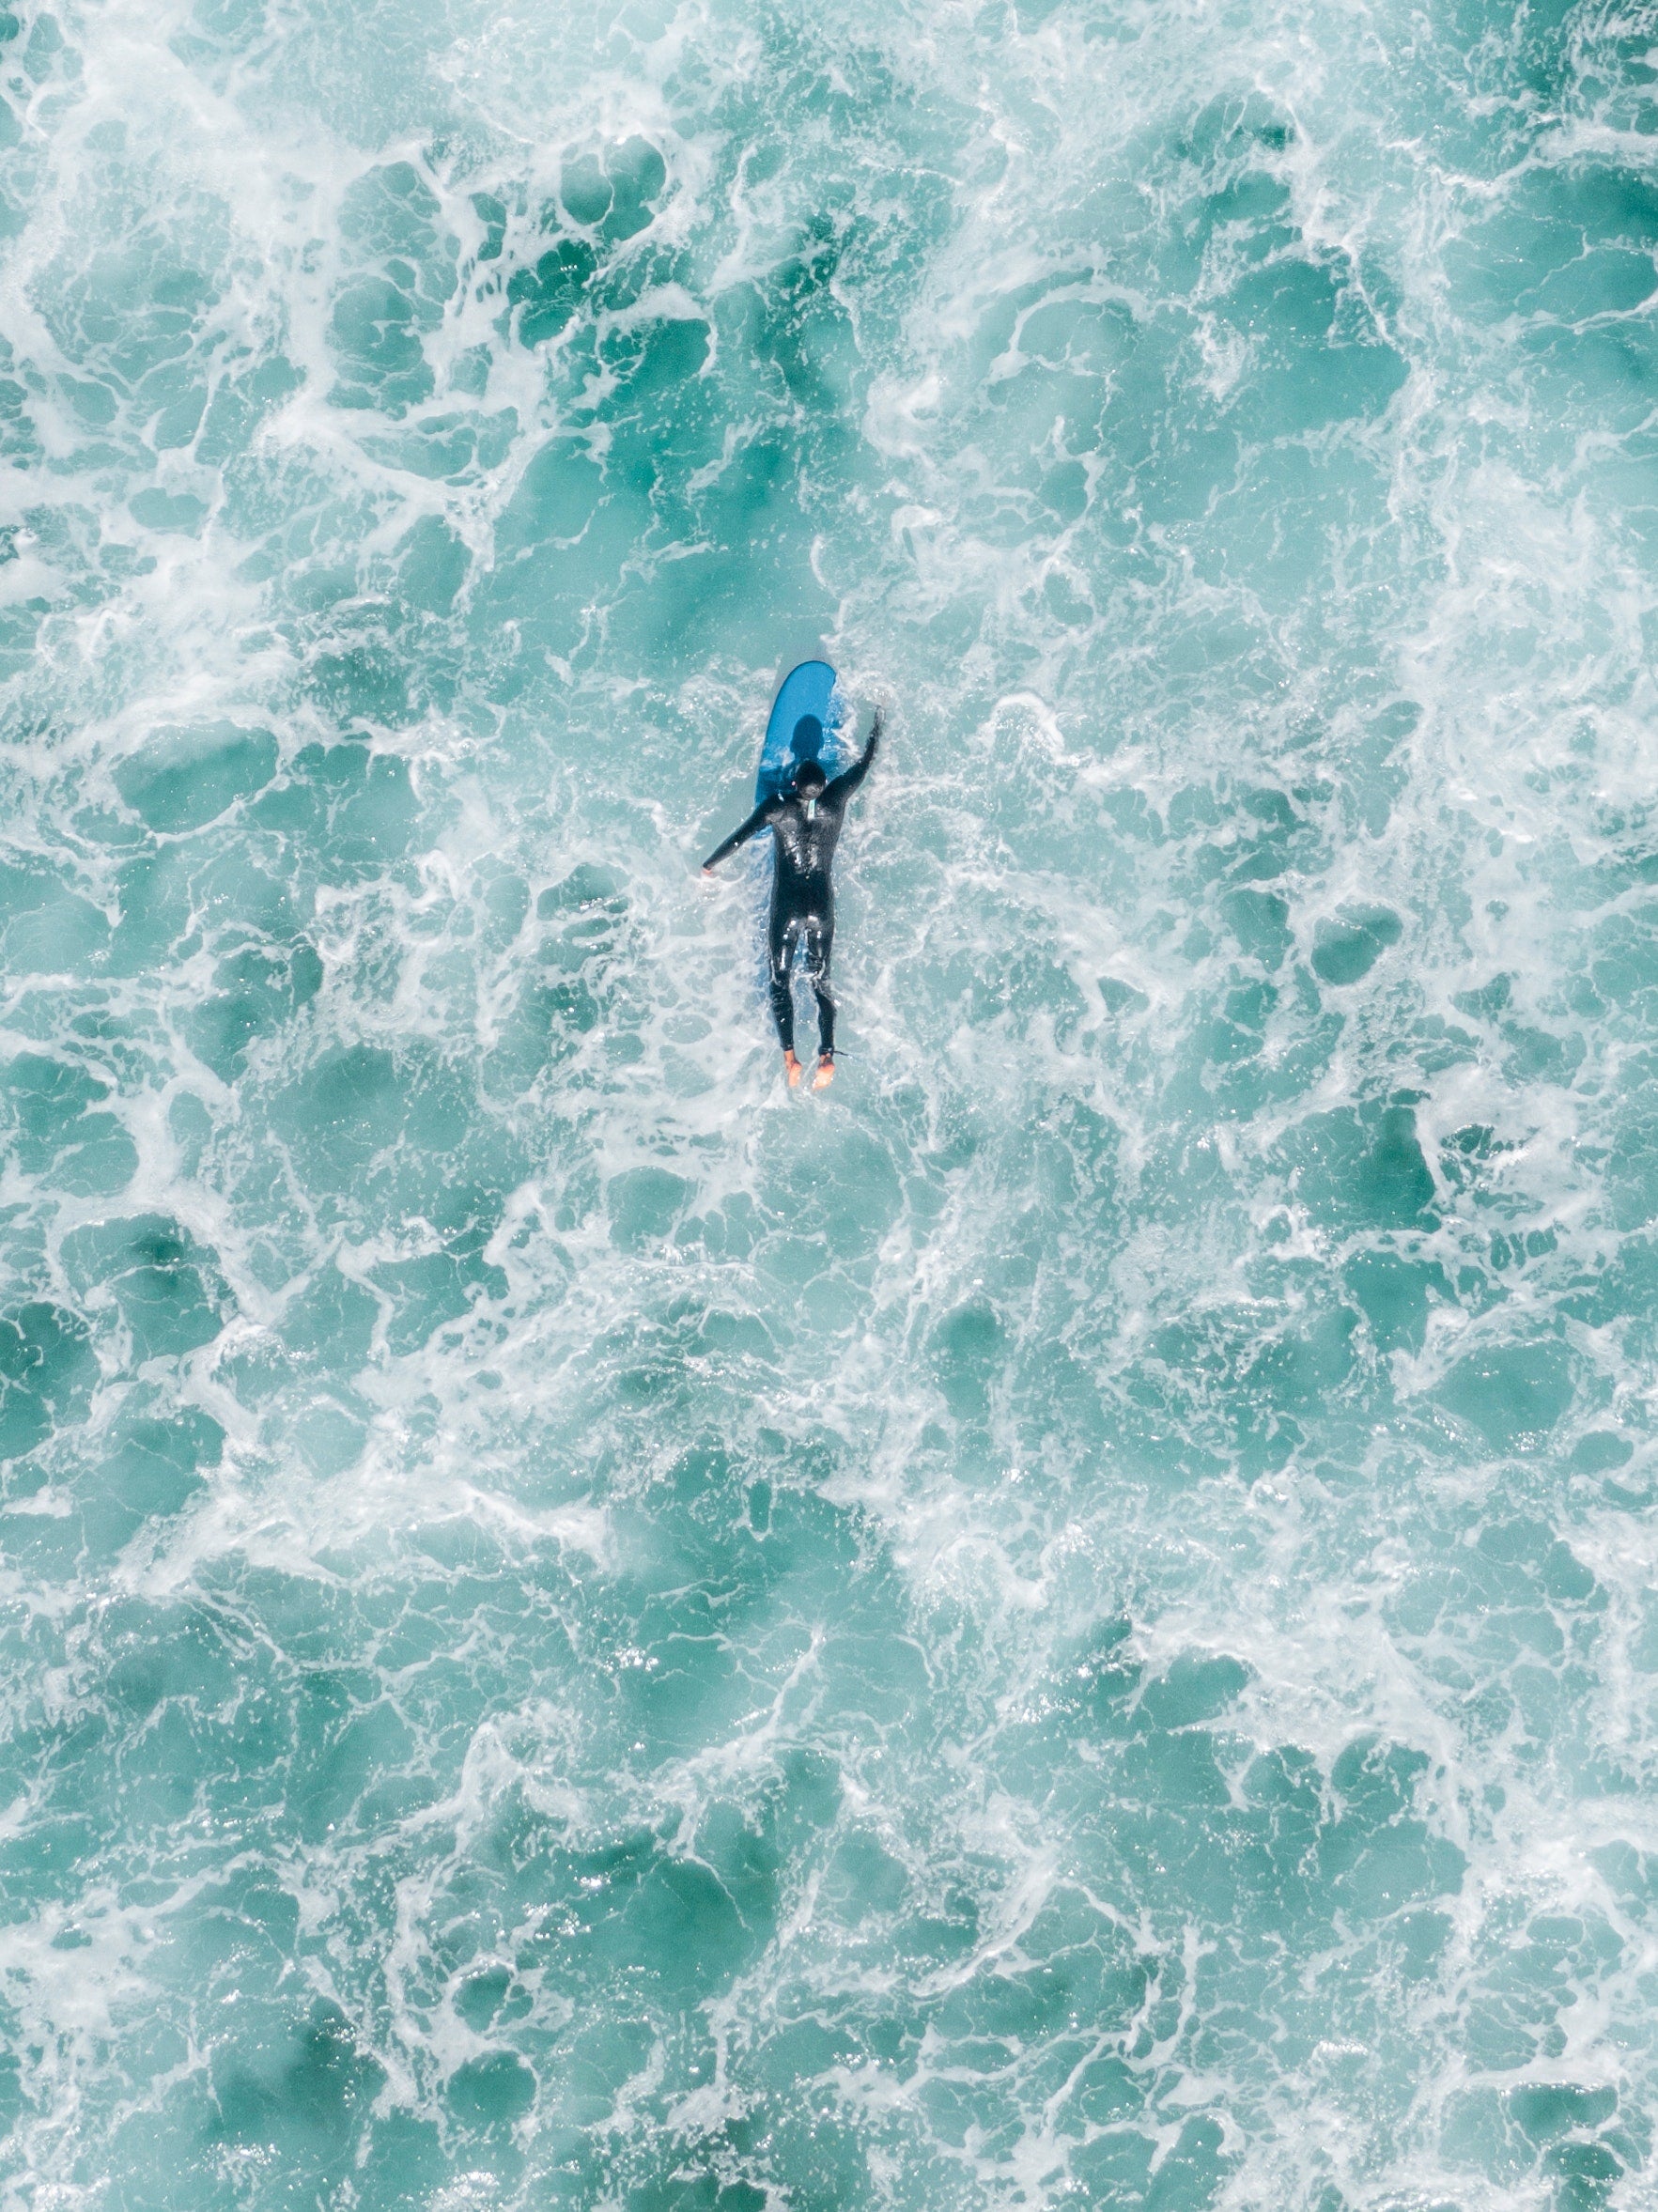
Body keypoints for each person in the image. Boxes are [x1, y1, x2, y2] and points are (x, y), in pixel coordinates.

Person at [702, 711, 882, 1089]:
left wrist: (710, 865)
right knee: (821, 980)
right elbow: (865, 764)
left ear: (795, 782)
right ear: (824, 785)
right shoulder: (836, 800)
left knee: (780, 981)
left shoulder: (777, 807)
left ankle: (791, 1060)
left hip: (787, 909)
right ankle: (827, 1055)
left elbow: (740, 837)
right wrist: (878, 720)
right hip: (821, 908)